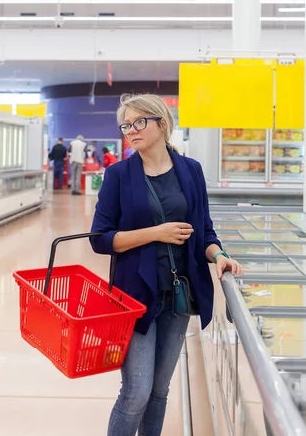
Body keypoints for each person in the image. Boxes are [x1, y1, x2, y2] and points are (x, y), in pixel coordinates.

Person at [90, 93, 243, 436]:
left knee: (159, 393)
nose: (131, 131)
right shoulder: (118, 176)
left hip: (178, 296)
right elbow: (99, 239)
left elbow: (203, 230)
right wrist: (155, 233)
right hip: (134, 295)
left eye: (138, 122)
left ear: (162, 123)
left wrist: (219, 256)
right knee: (135, 394)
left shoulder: (190, 171)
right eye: (126, 125)